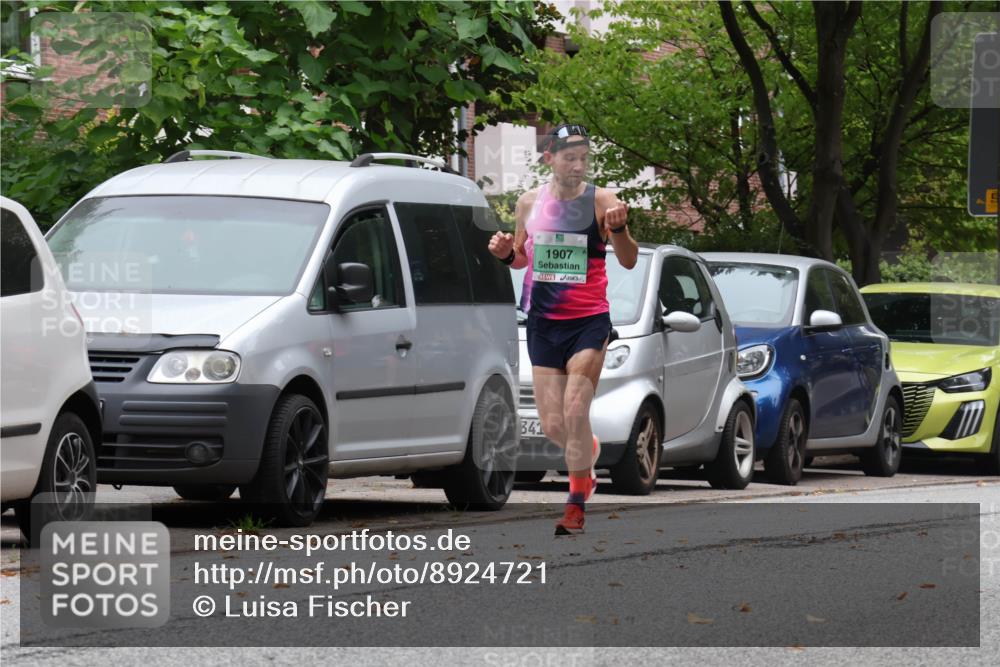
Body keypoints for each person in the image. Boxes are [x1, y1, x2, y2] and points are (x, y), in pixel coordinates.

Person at [488, 124, 638, 534]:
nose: (577, 165)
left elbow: (628, 260)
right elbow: (522, 257)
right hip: (542, 323)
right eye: (569, 157)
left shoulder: (602, 201)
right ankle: (586, 454)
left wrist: (620, 229)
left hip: (588, 322)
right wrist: (505, 254)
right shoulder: (528, 203)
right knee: (554, 424)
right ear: (549, 157)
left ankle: (574, 505)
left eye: (584, 158)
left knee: (575, 410)